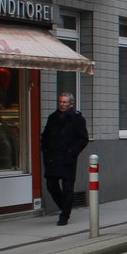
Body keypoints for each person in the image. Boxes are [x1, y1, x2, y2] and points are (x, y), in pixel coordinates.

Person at [41, 92, 89, 226]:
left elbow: (83, 139)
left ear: (71, 104)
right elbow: (45, 135)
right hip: (52, 158)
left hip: (67, 159)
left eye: (65, 102)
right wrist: (45, 149)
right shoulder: (53, 117)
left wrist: (72, 152)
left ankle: (64, 215)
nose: (62, 104)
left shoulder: (77, 119)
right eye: (60, 102)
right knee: (51, 185)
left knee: (68, 187)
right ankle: (65, 206)